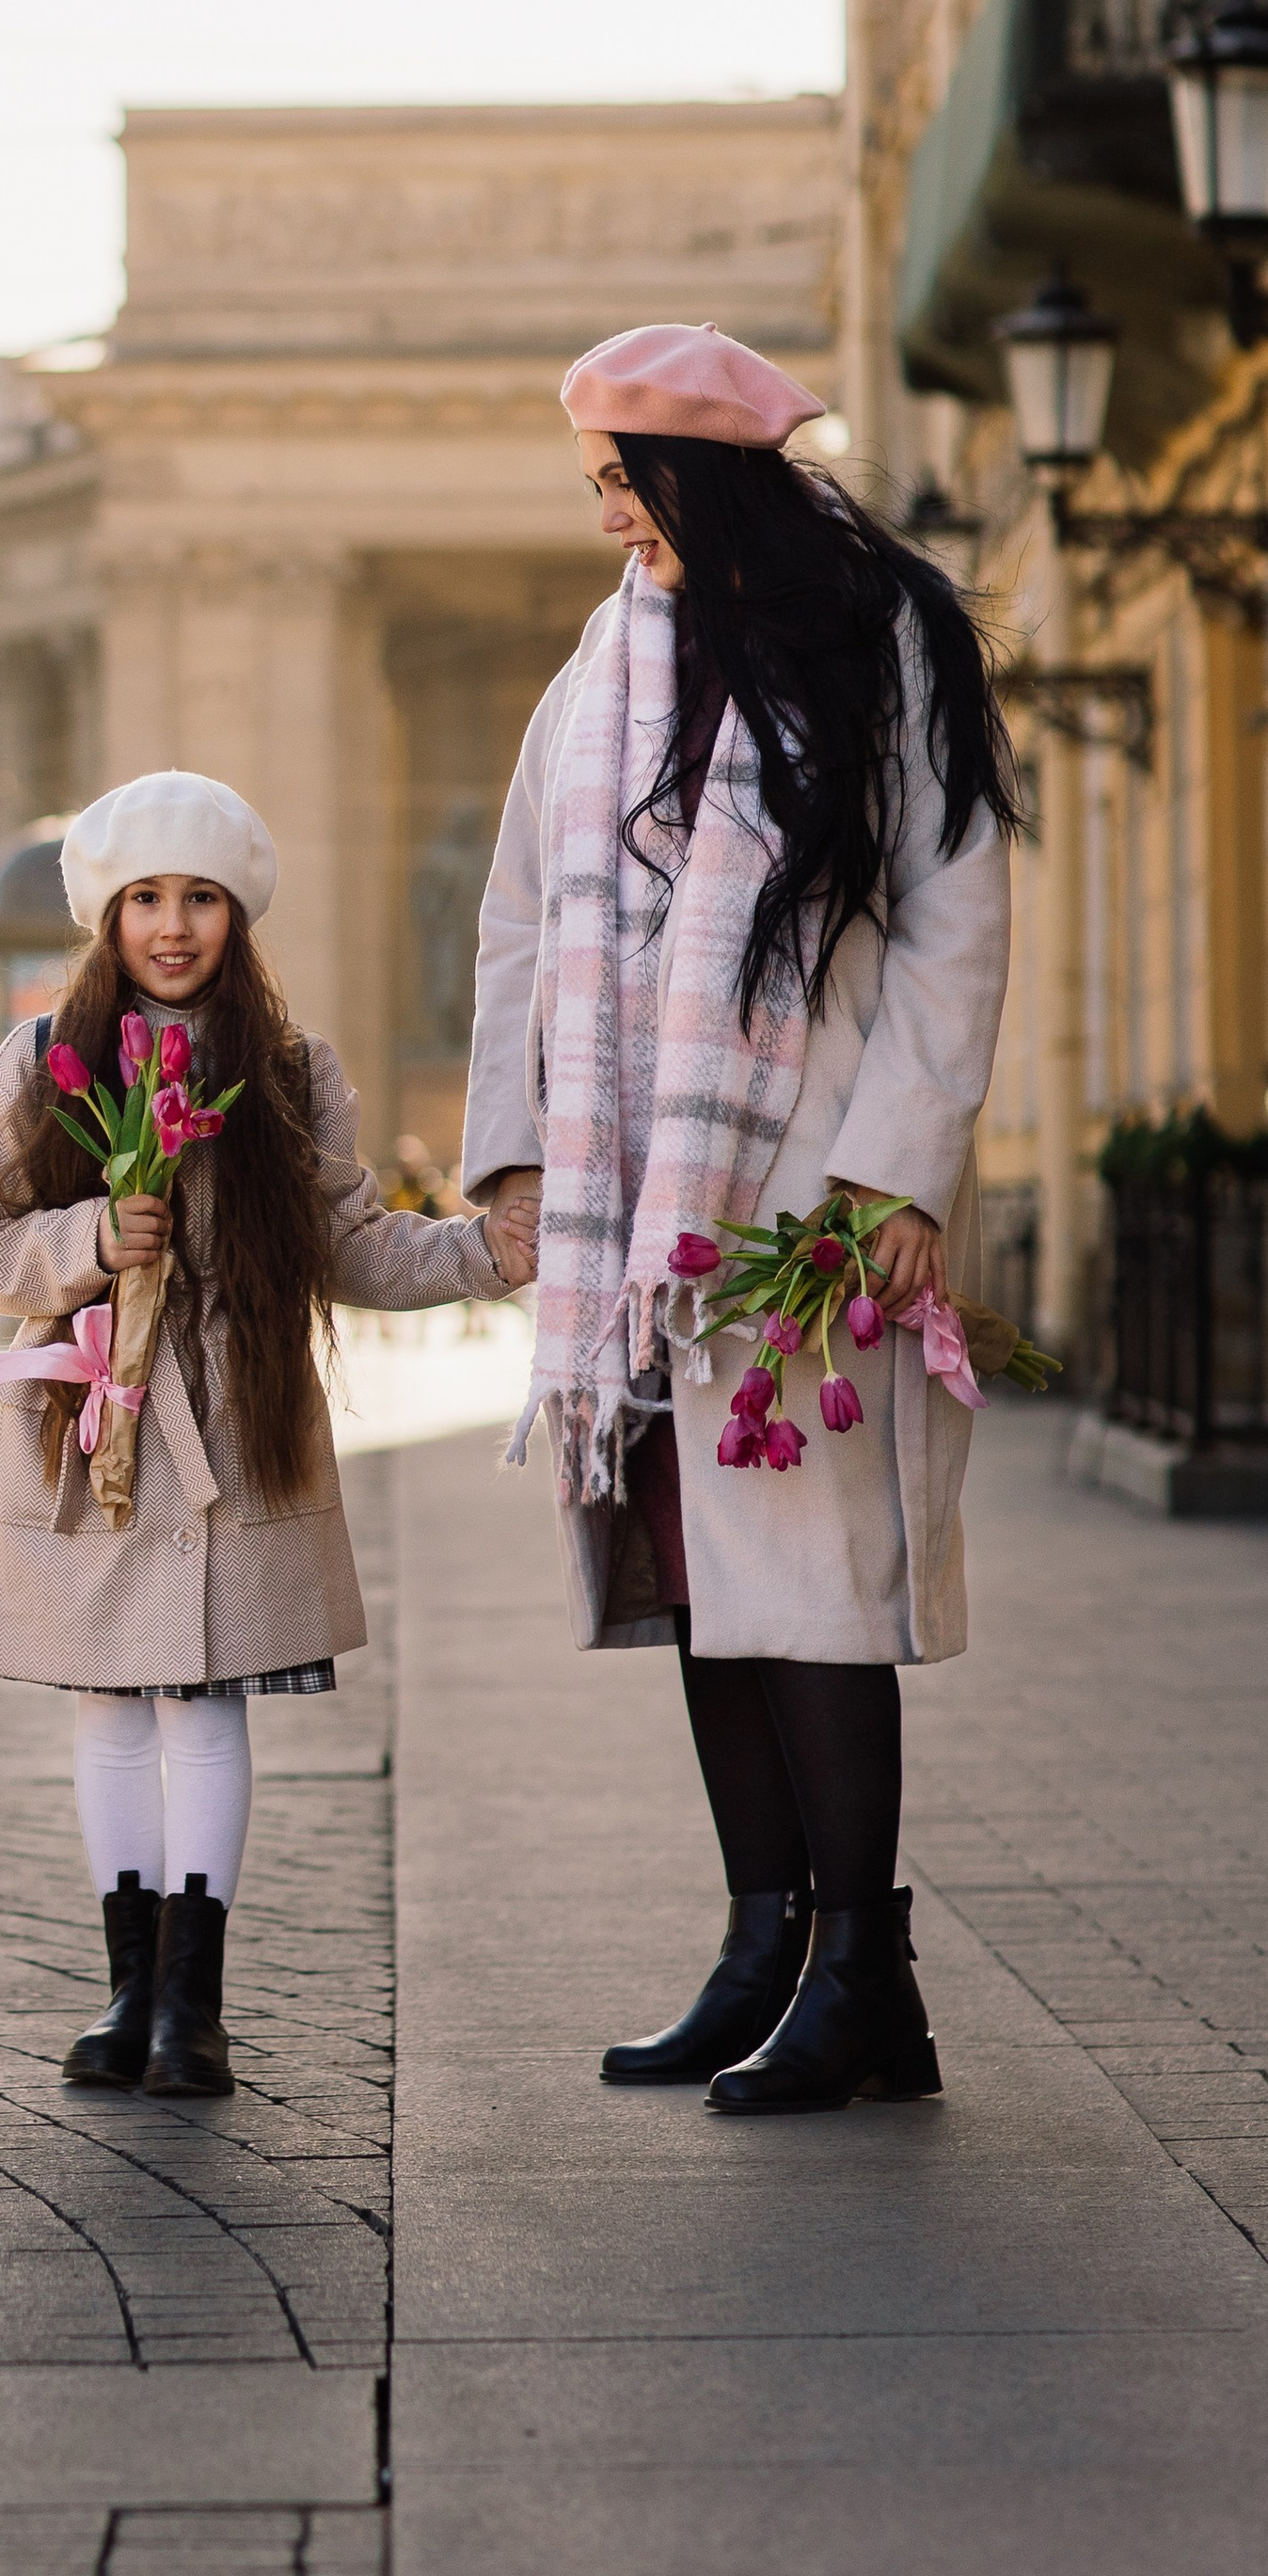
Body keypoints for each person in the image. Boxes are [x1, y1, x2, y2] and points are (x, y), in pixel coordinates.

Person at [465, 321, 1017, 2115]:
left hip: (805, 1194)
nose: (610, 515)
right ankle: (763, 1944)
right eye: (596, 485)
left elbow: (952, 914)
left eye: (627, 479)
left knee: (818, 1589)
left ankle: (868, 1975)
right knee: (714, 1588)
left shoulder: (886, 639)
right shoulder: (602, 662)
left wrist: (894, 1176)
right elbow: (521, 929)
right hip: (637, 1214)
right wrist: (520, 1158)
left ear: (706, 476)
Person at [0, 770, 528, 2104]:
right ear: (108, 915)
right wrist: (89, 1237)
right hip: (90, 1423)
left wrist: (486, 1255)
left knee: (202, 1697)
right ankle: (127, 1983)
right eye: (146, 897)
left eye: (200, 897)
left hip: (234, 1418)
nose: (173, 924)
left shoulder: (292, 1068)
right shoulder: (41, 1064)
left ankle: (193, 2005)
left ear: (237, 914)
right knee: (107, 1699)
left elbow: (348, 1242)